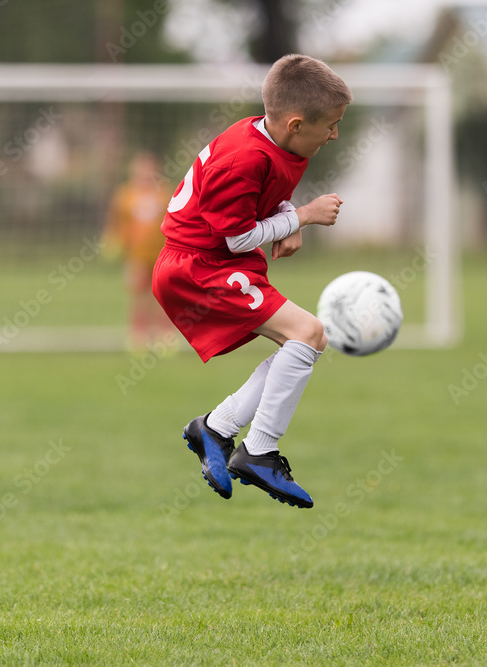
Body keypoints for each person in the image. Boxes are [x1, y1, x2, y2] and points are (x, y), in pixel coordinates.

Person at [152, 54, 352, 509]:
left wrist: (286, 217)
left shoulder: (276, 140)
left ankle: (217, 428)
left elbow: (258, 205)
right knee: (309, 333)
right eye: (331, 125)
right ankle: (258, 451)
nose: (335, 134)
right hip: (198, 268)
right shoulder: (243, 157)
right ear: (297, 124)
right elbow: (238, 236)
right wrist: (303, 215)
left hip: (216, 262)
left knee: (303, 342)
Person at [101, 151, 177, 353]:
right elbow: (115, 222)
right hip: (136, 255)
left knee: (163, 296)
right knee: (139, 296)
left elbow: (174, 220)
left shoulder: (164, 193)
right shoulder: (124, 195)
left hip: (162, 254)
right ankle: (139, 336)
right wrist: (112, 239)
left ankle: (164, 336)